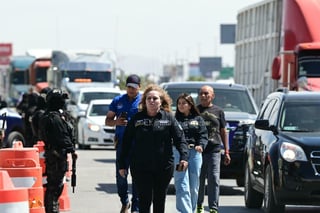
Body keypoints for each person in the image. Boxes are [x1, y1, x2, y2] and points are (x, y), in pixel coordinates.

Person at [118, 84, 189, 213]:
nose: (152, 101)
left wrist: (184, 158)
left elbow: (180, 140)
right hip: (141, 167)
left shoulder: (169, 118)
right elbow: (126, 143)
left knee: (159, 199)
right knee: (144, 200)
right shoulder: (137, 119)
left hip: (164, 166)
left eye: (155, 98)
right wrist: (122, 165)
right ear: (144, 101)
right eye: (149, 98)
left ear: (161, 101)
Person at [105, 74, 142, 213]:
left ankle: (136, 207)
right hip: (122, 143)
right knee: (121, 176)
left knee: (138, 176)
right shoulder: (118, 101)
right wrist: (116, 122)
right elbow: (107, 120)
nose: (131, 90)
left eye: (134, 87)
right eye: (129, 87)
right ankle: (124, 201)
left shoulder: (144, 101)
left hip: (139, 144)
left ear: (139, 87)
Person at [39, 88, 77, 213]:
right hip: (56, 156)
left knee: (55, 187)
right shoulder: (53, 118)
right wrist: (72, 150)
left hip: (55, 155)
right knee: (54, 187)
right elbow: (62, 137)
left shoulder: (52, 116)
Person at [196, 85, 231, 213]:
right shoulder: (195, 110)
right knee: (199, 179)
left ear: (212, 96)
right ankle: (198, 205)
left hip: (214, 149)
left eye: (206, 93)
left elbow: (223, 131)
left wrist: (226, 151)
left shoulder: (219, 111)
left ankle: (213, 208)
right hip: (198, 151)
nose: (203, 96)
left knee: (214, 179)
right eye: (201, 93)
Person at [174, 93, 208, 213]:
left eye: (184, 103)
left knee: (193, 187)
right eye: (179, 103)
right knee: (181, 184)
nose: (181, 105)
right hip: (178, 154)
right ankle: (185, 211)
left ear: (190, 105)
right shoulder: (175, 119)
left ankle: (192, 210)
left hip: (194, 154)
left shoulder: (198, 119)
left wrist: (201, 145)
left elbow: (203, 135)